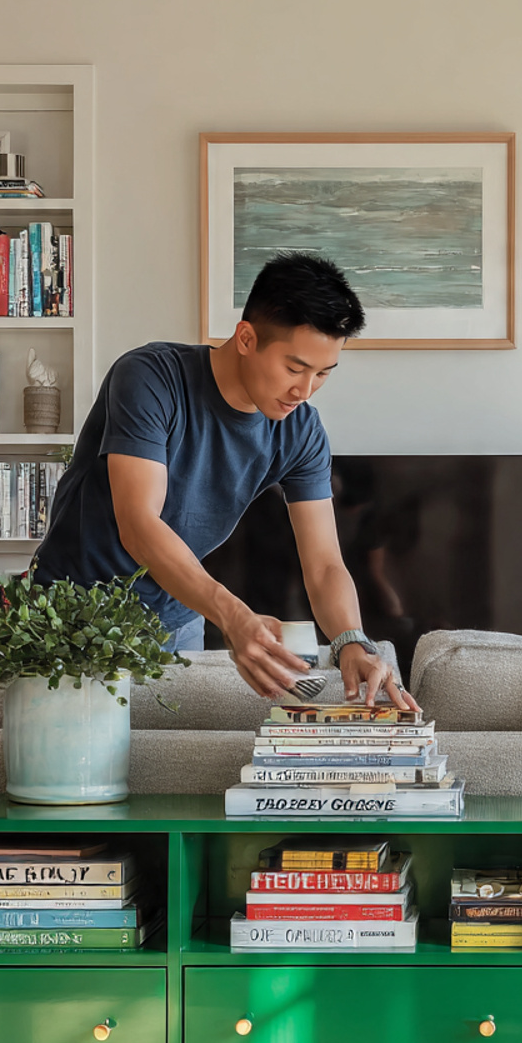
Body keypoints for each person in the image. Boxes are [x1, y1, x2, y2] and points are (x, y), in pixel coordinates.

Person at [34, 252, 414, 707]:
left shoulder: (301, 431)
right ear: (247, 338)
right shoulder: (151, 378)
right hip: (68, 615)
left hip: (175, 622)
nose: (305, 390)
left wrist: (351, 640)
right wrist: (234, 616)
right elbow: (138, 524)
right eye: (294, 368)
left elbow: (325, 565)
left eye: (323, 373)